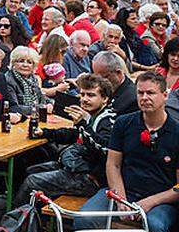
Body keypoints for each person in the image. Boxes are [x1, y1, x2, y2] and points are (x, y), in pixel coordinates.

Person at [73, 72, 178, 232]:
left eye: (151, 93)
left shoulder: (176, 131)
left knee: (155, 226)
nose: (144, 98)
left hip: (160, 200)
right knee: (84, 219)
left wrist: (148, 203)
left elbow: (178, 187)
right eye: (140, 93)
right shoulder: (124, 123)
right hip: (122, 191)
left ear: (165, 95)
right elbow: (113, 164)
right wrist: (120, 198)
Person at [13, 73, 116, 206]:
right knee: (29, 170)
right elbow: (73, 134)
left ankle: (16, 220)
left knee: (32, 181)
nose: (84, 99)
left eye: (90, 95)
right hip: (78, 167)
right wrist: (44, 133)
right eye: (82, 94)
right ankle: (36, 216)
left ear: (105, 99)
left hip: (91, 178)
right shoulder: (94, 115)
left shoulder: (108, 120)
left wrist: (82, 124)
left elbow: (103, 149)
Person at [91, 50, 139, 115]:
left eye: (104, 77)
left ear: (118, 73)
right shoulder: (111, 90)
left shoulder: (131, 101)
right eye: (96, 77)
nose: (99, 82)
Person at [7, 46, 45, 112]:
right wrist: (41, 108)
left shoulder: (33, 79)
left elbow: (41, 97)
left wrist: (50, 103)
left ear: (34, 66)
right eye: (21, 61)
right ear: (13, 63)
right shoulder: (9, 80)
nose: (25, 65)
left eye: (29, 62)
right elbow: (14, 107)